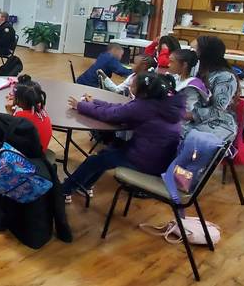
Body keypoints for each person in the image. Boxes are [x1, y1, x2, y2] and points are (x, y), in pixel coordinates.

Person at [62, 73, 184, 202]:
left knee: (94, 161)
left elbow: (110, 115)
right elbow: (121, 109)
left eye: (134, 84)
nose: (130, 85)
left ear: (143, 91)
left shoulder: (144, 107)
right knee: (105, 154)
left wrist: (80, 106)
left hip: (146, 161)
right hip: (156, 158)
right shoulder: (162, 103)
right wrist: (94, 102)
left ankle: (65, 190)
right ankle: (84, 186)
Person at [187, 35, 238, 142]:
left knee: (173, 134)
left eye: (193, 50)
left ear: (205, 54)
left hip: (217, 124)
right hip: (193, 118)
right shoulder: (196, 70)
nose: (189, 53)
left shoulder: (225, 77)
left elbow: (218, 110)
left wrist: (190, 115)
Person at [165, 49, 209, 131]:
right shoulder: (175, 78)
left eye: (172, 62)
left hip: (182, 126)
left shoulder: (192, 86)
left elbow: (190, 114)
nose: (168, 64)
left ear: (184, 65)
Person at [6, 76, 53, 151]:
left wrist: (10, 113)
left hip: (29, 159)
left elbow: (7, 135)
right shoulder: (41, 111)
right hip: (41, 154)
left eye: (14, 94)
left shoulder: (21, 116)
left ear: (20, 99)